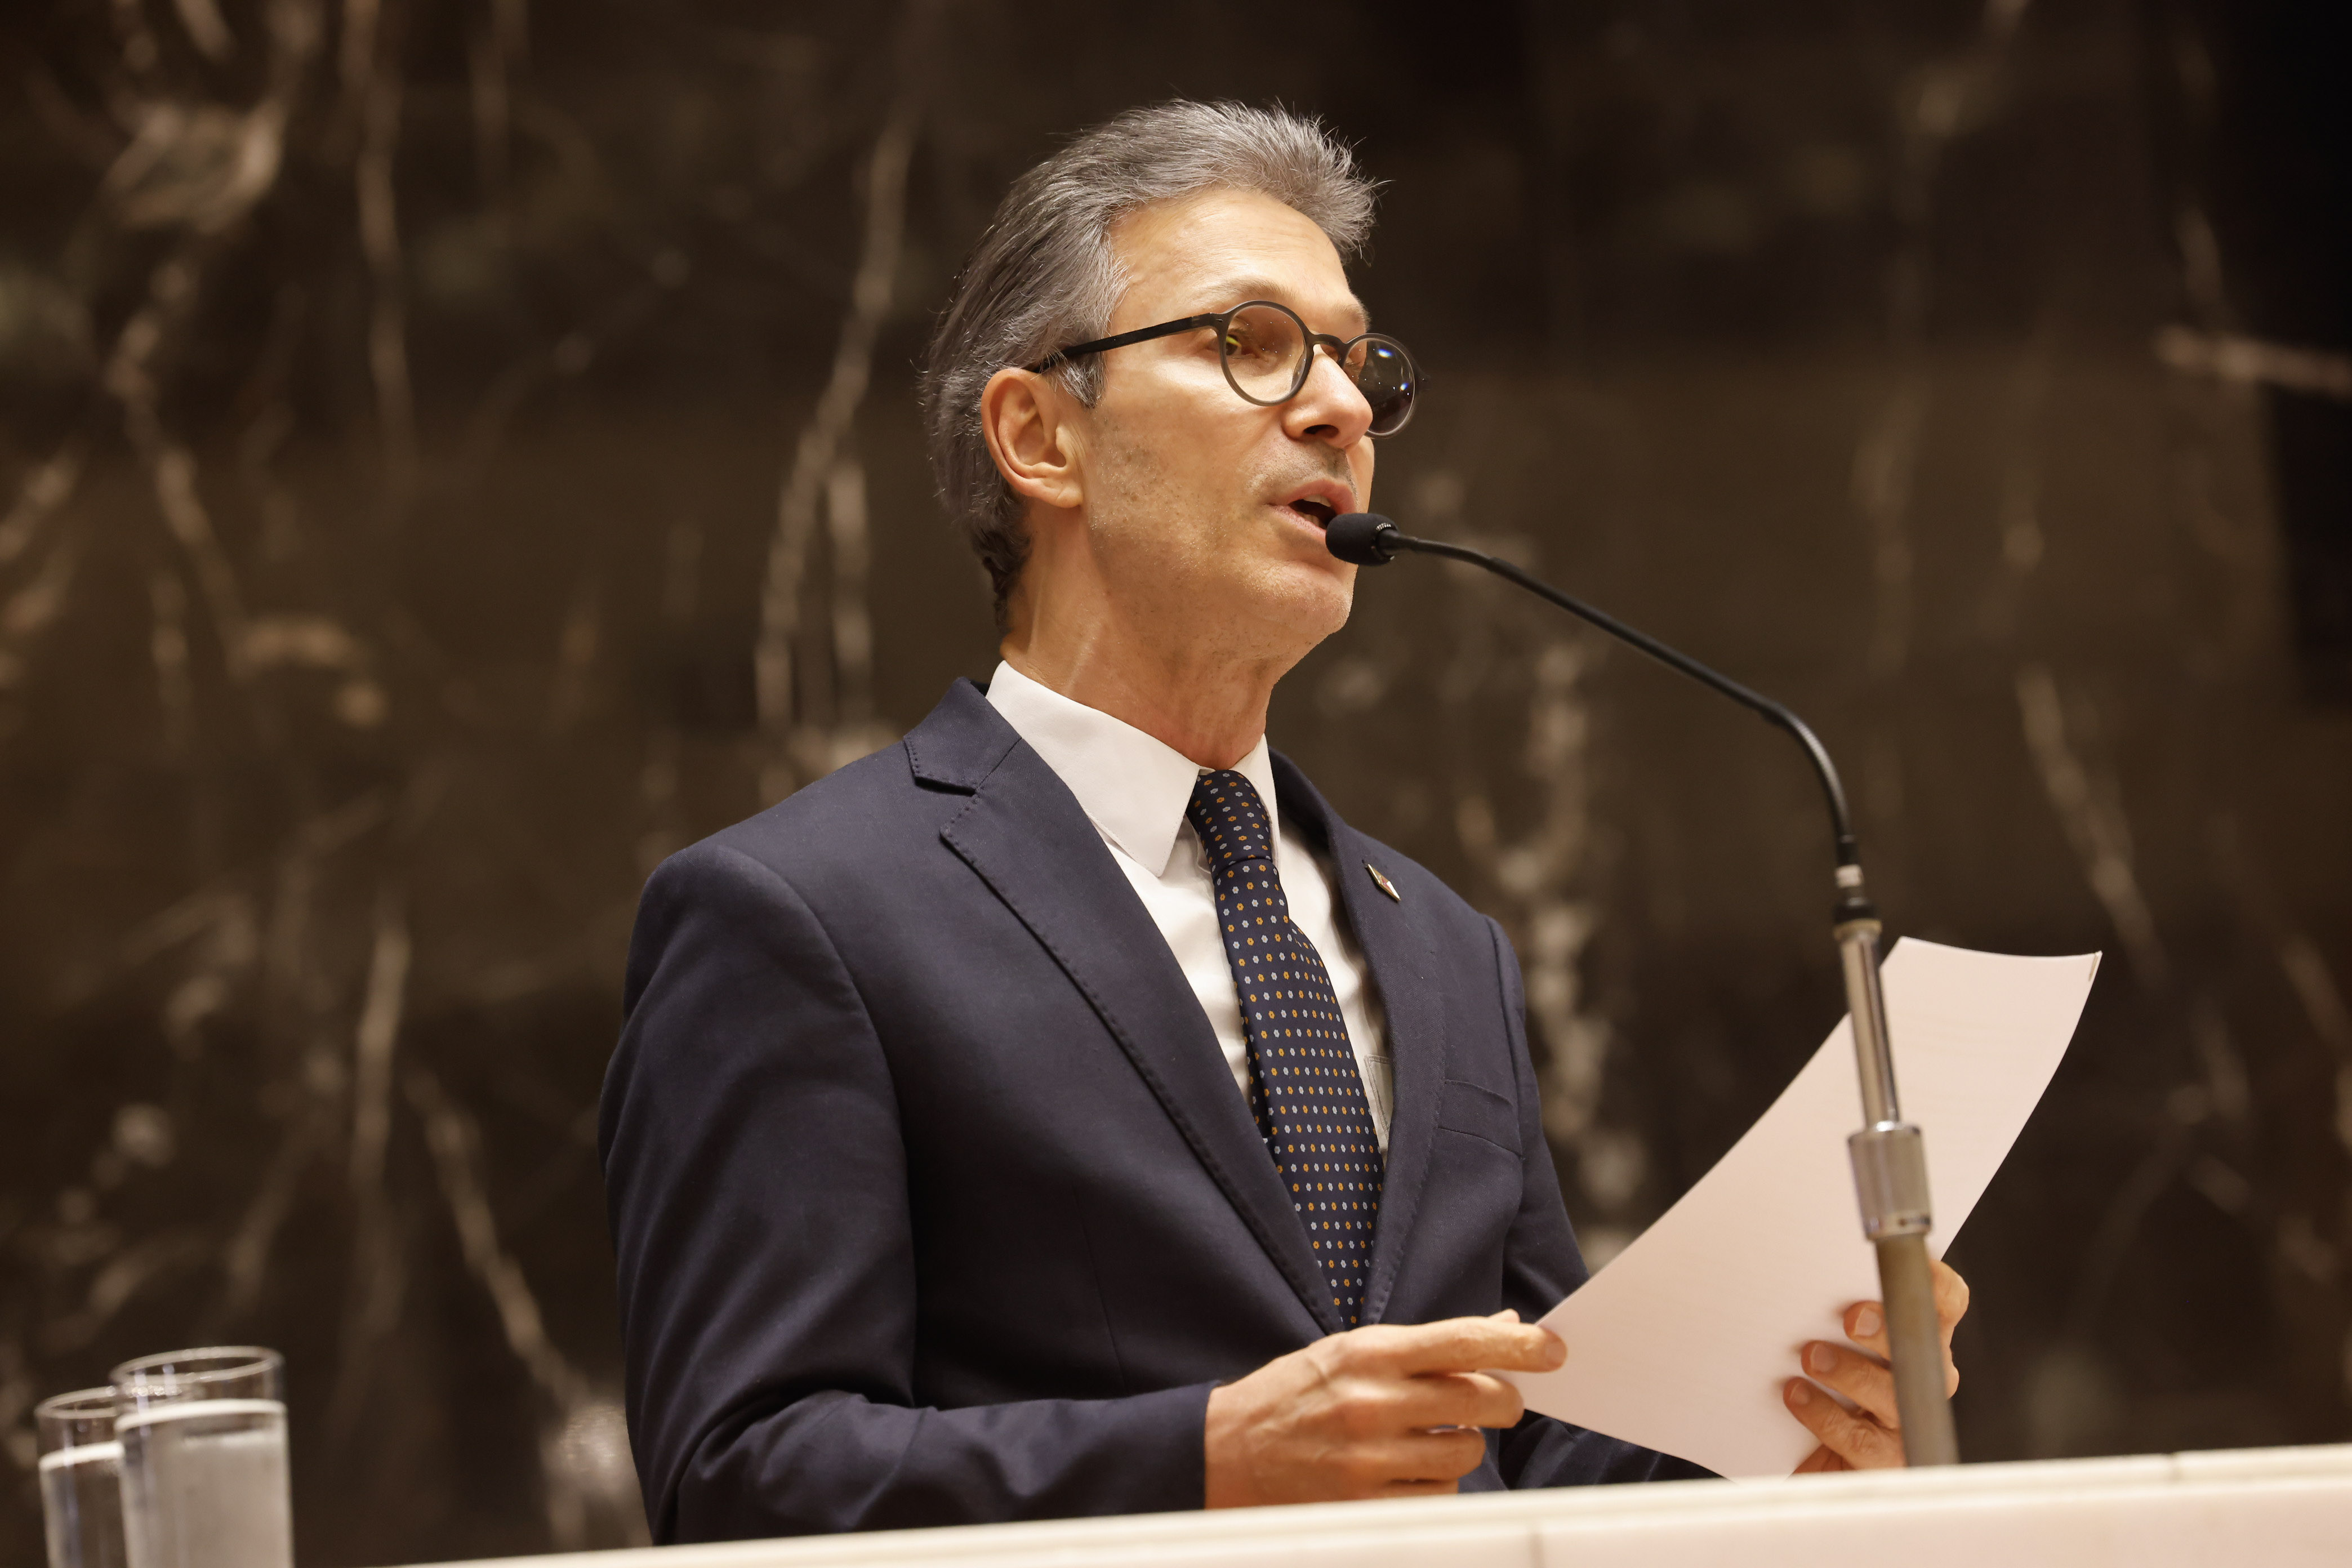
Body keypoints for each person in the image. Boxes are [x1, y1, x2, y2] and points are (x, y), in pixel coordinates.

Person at [598, 100, 1968, 1544]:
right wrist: (1207, 1455)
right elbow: (741, 1480)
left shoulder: (1447, 948)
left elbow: (1527, 1460)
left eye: (1359, 361)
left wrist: (1782, 1445)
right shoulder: (801, 916)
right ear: (1041, 437)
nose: (1344, 410)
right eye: (1251, 344)